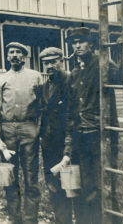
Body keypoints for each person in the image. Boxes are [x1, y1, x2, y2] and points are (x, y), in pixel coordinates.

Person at [58, 27, 117, 224]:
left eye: (81, 42)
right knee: (84, 185)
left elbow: (119, 77)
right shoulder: (74, 73)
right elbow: (70, 110)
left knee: (103, 184)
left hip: (99, 134)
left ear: (90, 44)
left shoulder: (102, 65)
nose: (77, 46)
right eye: (74, 43)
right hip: (80, 135)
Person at [0, 42, 43, 224]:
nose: (14, 55)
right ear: (7, 57)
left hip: (28, 129)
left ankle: (31, 219)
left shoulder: (35, 76)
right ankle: (14, 217)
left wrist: (37, 129)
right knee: (9, 176)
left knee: (31, 176)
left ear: (25, 56)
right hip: (8, 131)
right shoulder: (1, 78)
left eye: (18, 52)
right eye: (11, 52)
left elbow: (41, 107)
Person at [38, 47, 72, 224]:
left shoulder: (70, 82)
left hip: (67, 143)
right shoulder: (45, 86)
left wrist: (69, 146)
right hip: (49, 144)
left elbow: (72, 116)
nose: (50, 66)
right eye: (46, 63)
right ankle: (61, 220)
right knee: (53, 185)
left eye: (53, 61)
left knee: (71, 185)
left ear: (62, 61)